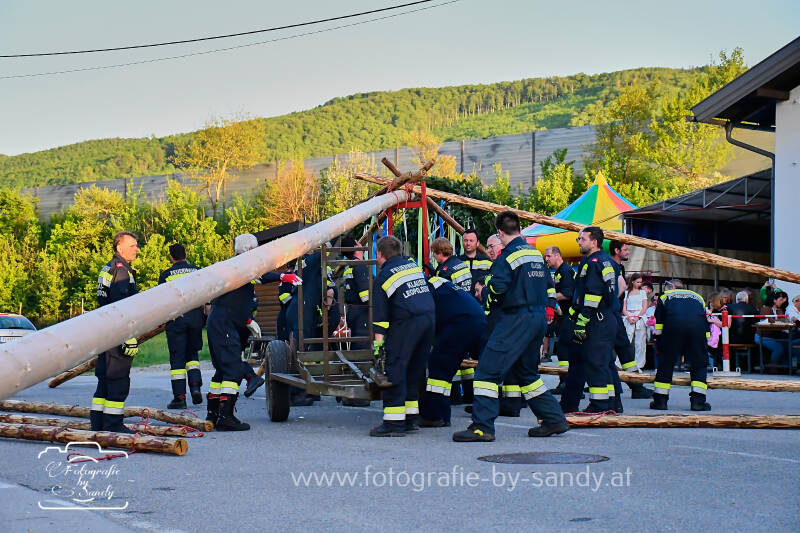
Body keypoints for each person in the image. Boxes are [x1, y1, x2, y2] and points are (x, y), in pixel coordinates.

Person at [453, 211, 567, 442]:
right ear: (519, 229)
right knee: (527, 374)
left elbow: (498, 289)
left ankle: (482, 427)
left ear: (501, 232)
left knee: (486, 371)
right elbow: (549, 286)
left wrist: (483, 291)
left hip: (516, 318)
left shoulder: (508, 256)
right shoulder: (534, 255)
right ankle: (553, 419)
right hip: (536, 319)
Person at [206, 234, 301, 430]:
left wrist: (247, 319)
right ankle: (226, 416)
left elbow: (239, 297)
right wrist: (282, 276)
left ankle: (212, 414)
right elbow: (259, 275)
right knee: (232, 369)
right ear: (249, 250)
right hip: (224, 323)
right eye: (256, 248)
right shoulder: (242, 266)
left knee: (222, 371)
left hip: (226, 322)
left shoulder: (235, 267)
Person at [370, 236, 436, 437]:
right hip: (429, 319)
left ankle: (393, 424)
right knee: (414, 370)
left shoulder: (383, 276)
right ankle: (411, 419)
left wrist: (378, 349)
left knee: (395, 369)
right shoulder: (412, 267)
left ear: (380, 255)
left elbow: (380, 321)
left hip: (407, 323)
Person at [419, 275, 486, 427]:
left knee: (438, 364)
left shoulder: (422, 288)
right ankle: (442, 414)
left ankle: (433, 416)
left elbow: (425, 316)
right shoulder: (436, 281)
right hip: (476, 318)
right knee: (447, 368)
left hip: (461, 322)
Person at [91, 231, 140, 433]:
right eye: (132, 246)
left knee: (104, 380)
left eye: (136, 245)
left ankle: (98, 423)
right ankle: (113, 425)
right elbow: (121, 307)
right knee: (118, 381)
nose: (136, 249)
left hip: (105, 331)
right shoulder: (121, 271)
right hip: (117, 333)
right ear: (120, 248)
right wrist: (127, 336)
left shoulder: (108, 267)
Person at [651, 279, 711, 411]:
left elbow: (659, 322)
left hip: (673, 328)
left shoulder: (665, 296)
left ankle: (660, 401)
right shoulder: (698, 296)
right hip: (697, 330)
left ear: (671, 287)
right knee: (699, 364)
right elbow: (704, 319)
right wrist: (705, 342)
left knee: (666, 363)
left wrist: (659, 341)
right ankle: (698, 402)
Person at [157, 243, 204, 409]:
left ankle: (180, 397)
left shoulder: (166, 275)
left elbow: (161, 301)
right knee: (192, 355)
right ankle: (196, 387)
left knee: (177, 359)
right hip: (195, 319)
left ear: (172, 257)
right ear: (186, 254)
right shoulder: (197, 271)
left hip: (176, 320)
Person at [607, 240, 652, 406]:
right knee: (612, 353)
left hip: (616, 314)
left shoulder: (620, 267)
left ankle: (636, 387)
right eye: (625, 249)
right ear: (617, 250)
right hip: (611, 314)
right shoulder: (610, 265)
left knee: (626, 351)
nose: (628, 252)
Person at [433, 237, 475, 399]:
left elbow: (441, 294)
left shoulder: (445, 270)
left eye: (434, 253)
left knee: (452, 354)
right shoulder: (460, 263)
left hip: (452, 314)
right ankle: (470, 393)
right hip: (467, 311)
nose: (434, 257)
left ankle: (455, 393)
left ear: (439, 252)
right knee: (465, 356)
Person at [544, 246, 575, 395]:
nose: (546, 259)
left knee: (564, 349)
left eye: (549, 256)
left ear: (558, 255)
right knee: (563, 350)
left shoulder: (565, 271)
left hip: (570, 316)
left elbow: (568, 294)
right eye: (546, 256)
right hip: (563, 317)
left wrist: (548, 298)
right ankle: (564, 382)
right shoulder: (558, 272)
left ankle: (567, 383)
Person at [755, 290, 800, 366]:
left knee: (788, 345)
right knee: (779, 348)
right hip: (762, 336)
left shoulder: (779, 310)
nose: (782, 302)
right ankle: (773, 367)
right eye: (781, 300)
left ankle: (786, 367)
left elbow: (782, 320)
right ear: (774, 300)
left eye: (784, 300)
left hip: (773, 336)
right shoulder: (766, 309)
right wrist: (781, 321)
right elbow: (770, 321)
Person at [341, 236, 370, 350]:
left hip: (353, 310)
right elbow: (365, 296)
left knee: (357, 343)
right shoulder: (359, 266)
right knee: (362, 346)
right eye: (358, 243)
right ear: (355, 247)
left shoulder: (349, 265)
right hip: (362, 312)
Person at [622, 273, 648, 370]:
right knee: (626, 340)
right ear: (632, 281)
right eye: (638, 282)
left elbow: (644, 307)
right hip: (628, 316)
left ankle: (639, 365)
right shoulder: (626, 292)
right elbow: (623, 307)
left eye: (641, 282)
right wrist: (628, 316)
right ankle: (621, 364)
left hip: (639, 317)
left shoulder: (642, 292)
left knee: (640, 343)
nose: (639, 284)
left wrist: (638, 317)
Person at [459, 229, 492, 297]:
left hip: (481, 301)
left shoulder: (487, 261)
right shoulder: (457, 262)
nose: (468, 243)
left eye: (471, 241)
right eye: (465, 240)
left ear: (477, 243)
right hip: (463, 301)